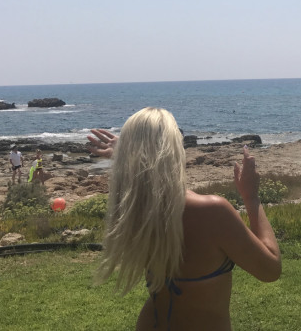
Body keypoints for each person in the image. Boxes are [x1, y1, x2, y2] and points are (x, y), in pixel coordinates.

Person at [95, 107, 281, 331]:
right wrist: (251, 198)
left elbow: (157, 188)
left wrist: (130, 155)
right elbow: (270, 270)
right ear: (173, 148)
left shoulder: (134, 208)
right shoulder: (212, 211)